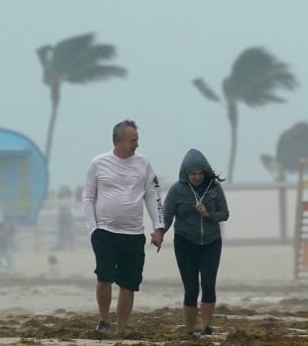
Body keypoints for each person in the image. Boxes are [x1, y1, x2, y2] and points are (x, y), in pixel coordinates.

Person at [82, 119, 165, 334]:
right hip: (105, 231)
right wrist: (93, 228)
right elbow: (88, 196)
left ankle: (121, 328)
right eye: (133, 140)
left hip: (133, 233)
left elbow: (153, 195)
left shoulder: (144, 164)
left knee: (129, 282)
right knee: (105, 275)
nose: (137, 144)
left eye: (137, 139)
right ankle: (103, 319)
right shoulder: (98, 163)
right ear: (118, 140)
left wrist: (158, 227)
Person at [162, 149, 229, 336]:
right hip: (185, 243)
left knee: (208, 285)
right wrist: (159, 233)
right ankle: (189, 331)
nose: (197, 177)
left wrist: (208, 214)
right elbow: (166, 217)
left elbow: (224, 214)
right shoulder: (177, 190)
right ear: (186, 174)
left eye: (200, 173)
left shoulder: (214, 188)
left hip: (211, 242)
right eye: (193, 174)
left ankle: (206, 327)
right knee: (191, 288)